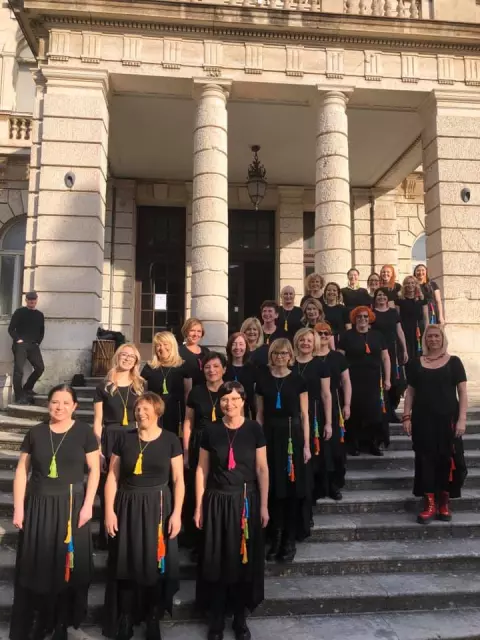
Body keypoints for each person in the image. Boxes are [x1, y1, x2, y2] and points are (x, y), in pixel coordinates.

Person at [10, 384, 99, 640]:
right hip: (38, 506)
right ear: (48, 404)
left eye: (65, 403)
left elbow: (94, 470)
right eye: (55, 402)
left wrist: (88, 506)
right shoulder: (36, 432)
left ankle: (62, 622)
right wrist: (19, 508)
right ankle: (40, 621)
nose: (59, 407)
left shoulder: (84, 432)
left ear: (75, 406)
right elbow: (21, 471)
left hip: (71, 507)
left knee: (68, 567)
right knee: (37, 567)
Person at [102, 392, 184, 640]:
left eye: (146, 408)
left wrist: (177, 513)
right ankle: (126, 617)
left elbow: (178, 480)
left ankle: (152, 618)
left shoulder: (170, 440)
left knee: (156, 564)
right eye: (138, 409)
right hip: (127, 505)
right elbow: (112, 477)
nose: (140, 413)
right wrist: (109, 511)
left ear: (157, 411)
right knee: (125, 562)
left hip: (159, 507)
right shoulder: (124, 439)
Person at [195, 381, 269, 640]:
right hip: (217, 501)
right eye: (225, 399)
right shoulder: (211, 430)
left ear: (243, 401)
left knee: (242, 560)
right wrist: (198, 506)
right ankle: (216, 617)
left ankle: (239, 617)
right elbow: (202, 469)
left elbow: (262, 469)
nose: (230, 404)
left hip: (245, 502)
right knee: (216, 559)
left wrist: (264, 506)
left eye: (235, 399)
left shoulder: (254, 429)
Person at [403, 325, 468, 524]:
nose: (433, 339)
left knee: (450, 460)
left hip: (448, 421)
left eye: (436, 336)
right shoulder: (416, 363)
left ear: (442, 338)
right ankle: (430, 503)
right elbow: (410, 393)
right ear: (425, 340)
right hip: (423, 421)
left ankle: (444, 502)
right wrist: (406, 416)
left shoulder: (454, 362)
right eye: (429, 336)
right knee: (426, 460)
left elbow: (463, 392)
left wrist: (462, 419)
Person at [256, 338, 310, 562]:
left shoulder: (298, 380)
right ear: (271, 356)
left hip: (292, 438)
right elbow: (259, 415)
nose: (280, 357)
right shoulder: (263, 381)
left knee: (291, 487)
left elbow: (305, 415)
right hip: (270, 436)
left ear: (290, 356)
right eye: (276, 353)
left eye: (284, 353)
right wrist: (258, 443)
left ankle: (289, 539)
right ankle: (276, 538)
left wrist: (306, 445)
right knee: (274, 487)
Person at [93, 343, 145, 548]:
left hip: (133, 436)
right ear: (117, 357)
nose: (127, 358)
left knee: (130, 484)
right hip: (110, 437)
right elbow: (98, 420)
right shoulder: (103, 386)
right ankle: (106, 535)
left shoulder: (141, 385)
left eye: (132, 356)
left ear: (136, 361)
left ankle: (127, 532)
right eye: (124, 354)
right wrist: (97, 450)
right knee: (108, 485)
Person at [183, 352, 226, 555]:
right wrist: (185, 452)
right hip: (199, 443)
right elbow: (188, 422)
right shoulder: (196, 392)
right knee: (198, 490)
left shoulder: (231, 390)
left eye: (216, 366)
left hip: (223, 443)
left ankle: (217, 538)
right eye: (208, 367)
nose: (212, 370)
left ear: (224, 369)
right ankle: (198, 540)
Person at [338, 307, 391, 457]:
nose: (363, 319)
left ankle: (373, 443)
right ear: (354, 319)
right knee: (355, 411)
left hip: (374, 380)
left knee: (374, 413)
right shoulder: (346, 336)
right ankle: (354, 444)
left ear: (370, 318)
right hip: (353, 379)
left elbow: (386, 357)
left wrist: (387, 378)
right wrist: (340, 379)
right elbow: (340, 359)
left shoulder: (378, 335)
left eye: (365, 317)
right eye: (359, 317)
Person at [291, 329, 333, 500]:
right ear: (296, 341)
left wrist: (329, 422)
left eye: (309, 340)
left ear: (314, 343)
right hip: (294, 413)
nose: (305, 343)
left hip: (315, 413)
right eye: (302, 340)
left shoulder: (321, 365)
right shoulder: (290, 363)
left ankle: (316, 490)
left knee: (316, 452)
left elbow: (326, 394)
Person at [315, 323, 351, 501]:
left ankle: (334, 485)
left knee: (334, 447)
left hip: (334, 404)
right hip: (313, 405)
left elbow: (346, 382)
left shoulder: (337, 357)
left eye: (326, 333)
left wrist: (347, 404)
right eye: (319, 333)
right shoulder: (309, 356)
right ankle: (318, 485)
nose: (322, 336)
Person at [141, 331, 192, 437]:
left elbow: (188, 393)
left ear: (172, 345)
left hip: (176, 413)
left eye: (165, 344)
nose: (162, 348)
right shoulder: (149, 367)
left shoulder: (183, 366)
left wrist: (187, 416)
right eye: (158, 345)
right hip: (154, 413)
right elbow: (143, 394)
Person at [372, 289, 408, 426]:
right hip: (378, 350)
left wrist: (404, 349)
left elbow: (400, 330)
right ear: (375, 298)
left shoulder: (393, 313)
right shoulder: (371, 313)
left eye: (383, 295)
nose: (381, 297)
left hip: (393, 350)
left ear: (387, 298)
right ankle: (385, 411)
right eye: (379, 295)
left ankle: (392, 408)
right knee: (383, 380)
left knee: (397, 381)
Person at [8, 291, 45, 405]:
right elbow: (11, 329)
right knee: (19, 371)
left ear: (36, 300)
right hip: (21, 345)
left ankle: (28, 388)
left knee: (40, 368)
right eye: (30, 299)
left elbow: (42, 330)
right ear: (26, 300)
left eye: (34, 299)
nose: (32, 301)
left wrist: (37, 342)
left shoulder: (39, 315)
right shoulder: (19, 312)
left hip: (33, 345)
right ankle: (19, 397)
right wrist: (18, 340)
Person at [396, 276, 429, 362]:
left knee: (419, 354)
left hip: (419, 329)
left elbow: (426, 317)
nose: (410, 285)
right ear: (404, 285)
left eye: (412, 283)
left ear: (416, 284)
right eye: (408, 283)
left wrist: (427, 331)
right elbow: (397, 317)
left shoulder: (422, 299)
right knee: (407, 353)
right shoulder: (399, 299)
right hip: (405, 330)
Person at [224, 332, 257, 419]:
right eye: (234, 344)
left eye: (241, 344)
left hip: (246, 413)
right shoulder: (224, 367)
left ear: (246, 347)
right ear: (229, 347)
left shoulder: (252, 368)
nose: (237, 347)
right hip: (227, 411)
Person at [179, 318, 209, 386]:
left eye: (199, 331)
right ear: (186, 332)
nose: (196, 334)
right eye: (192, 330)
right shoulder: (178, 351)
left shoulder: (206, 351)